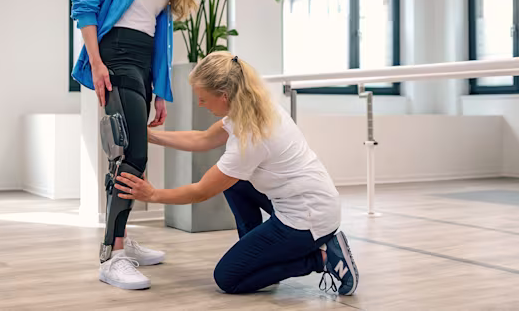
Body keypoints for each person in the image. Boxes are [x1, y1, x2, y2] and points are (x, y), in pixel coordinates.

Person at [114, 51, 359, 295]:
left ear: (224, 96)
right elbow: (203, 138)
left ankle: (323, 258)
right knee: (235, 182)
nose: (200, 104)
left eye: (203, 98)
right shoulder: (253, 107)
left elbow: (201, 191)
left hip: (307, 220)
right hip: (310, 201)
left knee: (228, 278)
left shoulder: (251, 137)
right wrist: (145, 135)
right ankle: (260, 256)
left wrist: (152, 194)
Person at [70, 0, 206, 290]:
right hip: (115, 54)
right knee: (131, 151)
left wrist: (160, 88)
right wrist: (96, 63)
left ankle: (122, 240)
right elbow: (85, 4)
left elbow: (160, 31)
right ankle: (110, 257)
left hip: (144, 63)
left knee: (133, 154)